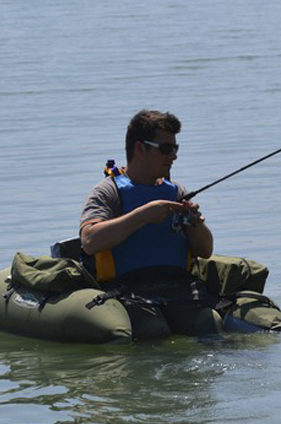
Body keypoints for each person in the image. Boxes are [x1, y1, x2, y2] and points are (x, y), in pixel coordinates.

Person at [80, 109, 223, 339]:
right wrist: (143, 215)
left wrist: (196, 225)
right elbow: (89, 241)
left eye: (175, 148)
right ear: (140, 148)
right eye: (165, 149)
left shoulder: (177, 192)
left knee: (209, 323)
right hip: (126, 290)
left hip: (178, 289)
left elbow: (205, 250)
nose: (173, 156)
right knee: (153, 329)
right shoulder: (108, 192)